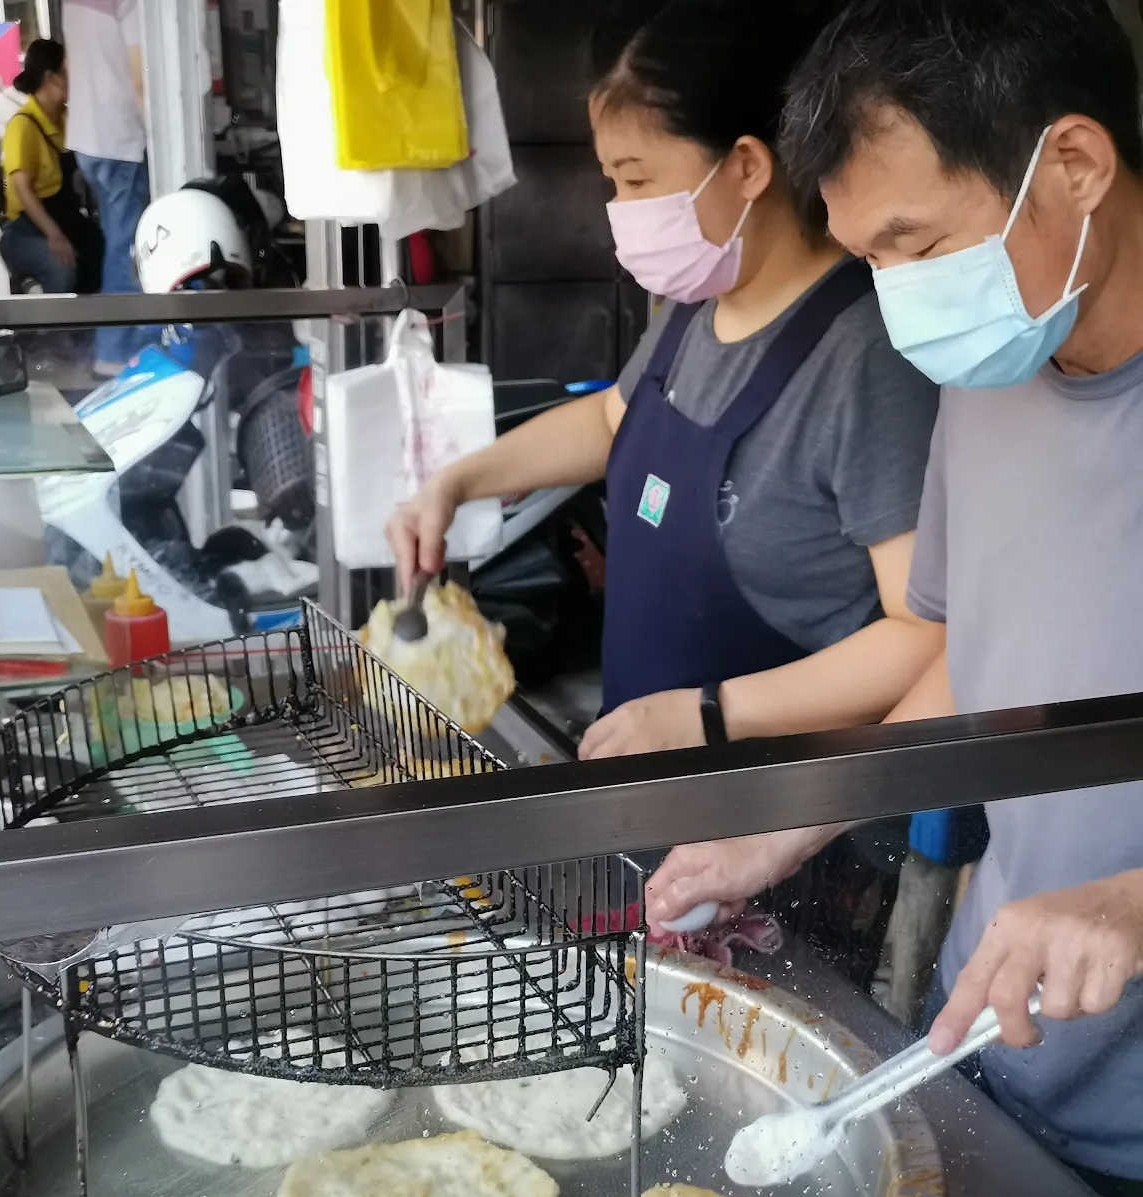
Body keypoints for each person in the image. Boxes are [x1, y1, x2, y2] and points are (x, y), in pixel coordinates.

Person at [648, 0, 1143, 1197]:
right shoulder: (999, 366)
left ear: (1072, 164)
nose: (900, 298)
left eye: (918, 244)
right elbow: (976, 661)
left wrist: (1131, 899)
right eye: (869, 256)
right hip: (991, 1053)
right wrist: (802, 812)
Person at [387, 0, 943, 982]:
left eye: (636, 179)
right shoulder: (696, 310)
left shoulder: (864, 359)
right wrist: (459, 480)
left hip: (786, 844)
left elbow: (923, 635)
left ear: (745, 165)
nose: (620, 210)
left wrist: (711, 714)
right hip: (658, 799)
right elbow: (613, 423)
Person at [64, 0, 149, 374]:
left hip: (88, 140)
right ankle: (114, 354)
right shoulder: (133, 3)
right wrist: (162, 137)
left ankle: (120, 346)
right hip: (120, 140)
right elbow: (139, 80)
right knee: (129, 252)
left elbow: (70, 65)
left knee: (119, 244)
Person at [0, 39, 103, 295]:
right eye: (69, 72)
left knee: (100, 250)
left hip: (64, 214)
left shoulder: (67, 118)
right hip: (25, 227)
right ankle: (54, 333)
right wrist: (54, 235)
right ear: (51, 77)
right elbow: (22, 190)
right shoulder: (22, 126)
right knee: (62, 266)